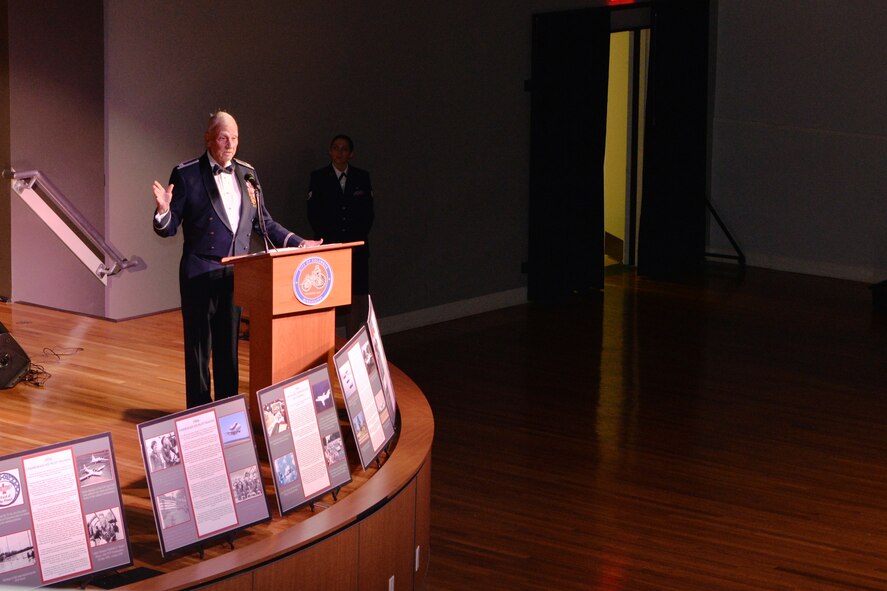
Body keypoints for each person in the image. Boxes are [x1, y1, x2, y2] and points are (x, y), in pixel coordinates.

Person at [153, 111, 321, 408]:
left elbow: (263, 223)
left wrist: (298, 243)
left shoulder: (247, 174)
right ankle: (200, 414)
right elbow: (168, 229)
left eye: (235, 138)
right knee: (199, 349)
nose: (230, 144)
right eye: (223, 137)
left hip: (236, 275)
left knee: (228, 347)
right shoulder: (186, 173)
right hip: (199, 272)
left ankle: (228, 412)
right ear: (208, 138)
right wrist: (163, 212)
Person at [307, 134, 374, 337]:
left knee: (355, 297)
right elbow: (313, 214)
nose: (340, 152)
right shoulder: (318, 178)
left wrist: (354, 242)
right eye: (336, 148)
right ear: (330, 151)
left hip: (357, 249)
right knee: (329, 296)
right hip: (330, 249)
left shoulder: (362, 177)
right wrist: (330, 242)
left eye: (344, 149)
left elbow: (368, 214)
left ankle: (352, 340)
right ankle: (328, 343)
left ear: (350, 154)